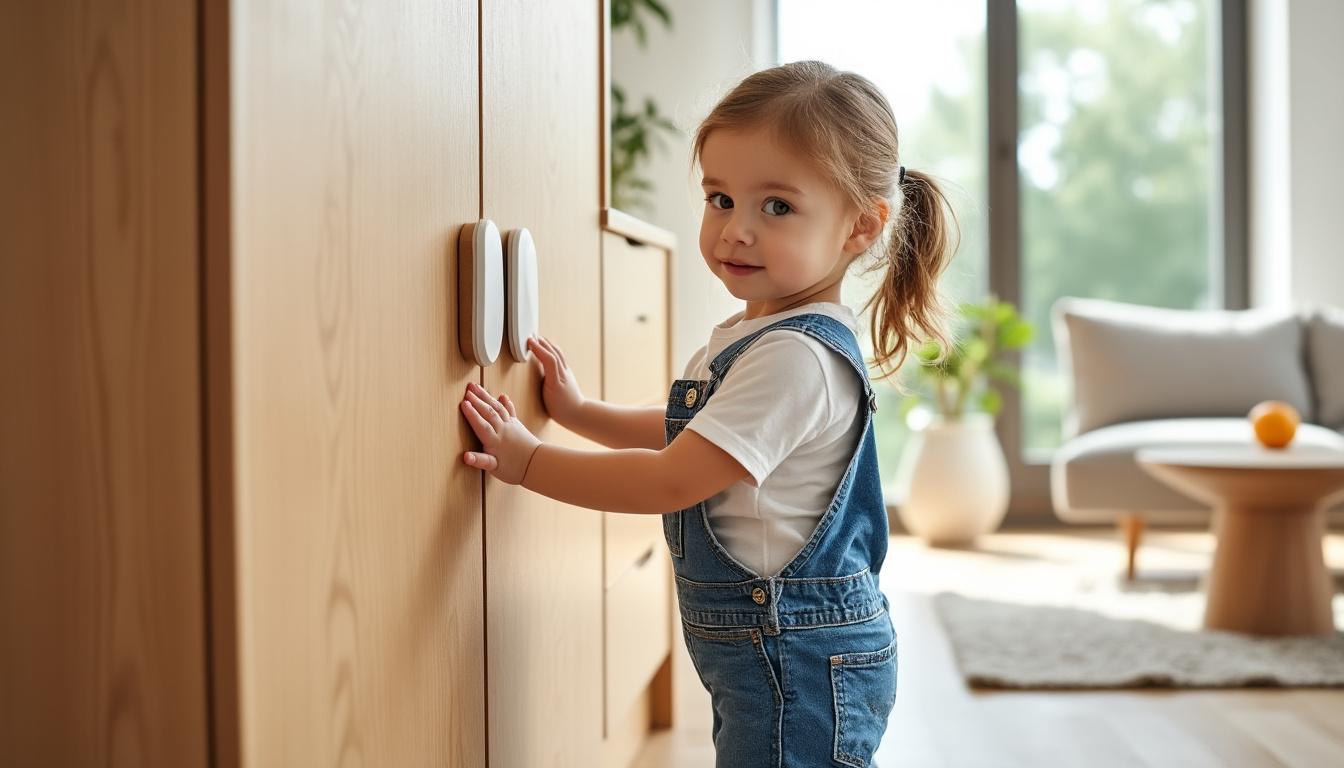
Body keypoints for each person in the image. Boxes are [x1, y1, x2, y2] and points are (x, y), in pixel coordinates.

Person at [458, 59, 957, 768]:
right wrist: (581, 411)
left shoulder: (796, 358)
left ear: (859, 227)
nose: (736, 230)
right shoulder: (759, 335)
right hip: (776, 648)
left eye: (776, 207)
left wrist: (527, 461)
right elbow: (694, 432)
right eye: (720, 198)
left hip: (797, 656)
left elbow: (671, 478)